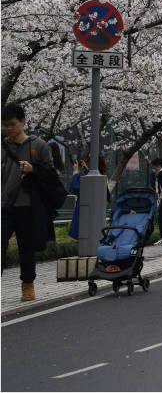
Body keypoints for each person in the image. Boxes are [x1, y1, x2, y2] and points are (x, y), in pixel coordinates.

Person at [2, 103, 62, 302]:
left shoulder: (39, 146)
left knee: (26, 249)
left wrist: (33, 169)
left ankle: (28, 285)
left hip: (28, 206)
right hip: (5, 205)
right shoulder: (3, 146)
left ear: (23, 122)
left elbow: (52, 177)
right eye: (4, 125)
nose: (8, 128)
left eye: (12, 124)